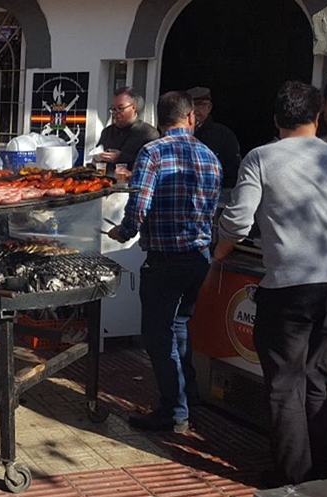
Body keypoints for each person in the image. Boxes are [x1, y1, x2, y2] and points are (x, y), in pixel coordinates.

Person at [215, 81, 327, 485]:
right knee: (317, 375)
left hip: (288, 286)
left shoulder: (261, 158)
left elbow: (237, 220)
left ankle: (293, 476)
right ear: (318, 116)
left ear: (276, 120)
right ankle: (322, 466)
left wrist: (219, 250)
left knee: (283, 385)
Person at [107, 90, 222, 434]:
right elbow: (210, 209)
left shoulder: (152, 152)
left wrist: (123, 232)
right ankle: (190, 398)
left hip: (165, 260)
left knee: (158, 337)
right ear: (190, 118)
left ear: (158, 120)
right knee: (180, 327)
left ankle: (175, 412)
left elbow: (139, 204)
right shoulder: (210, 155)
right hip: (198, 258)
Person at [95, 87, 160, 174]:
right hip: (105, 183)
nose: (116, 113)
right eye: (113, 109)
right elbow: (97, 161)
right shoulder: (107, 132)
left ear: (133, 107)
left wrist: (121, 157)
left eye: (120, 108)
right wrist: (97, 158)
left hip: (133, 185)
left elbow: (153, 166)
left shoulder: (148, 133)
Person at [187, 87, 241, 190]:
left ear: (209, 107)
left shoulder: (223, 135)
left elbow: (233, 174)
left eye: (200, 105)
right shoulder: (179, 134)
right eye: (191, 105)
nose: (195, 110)